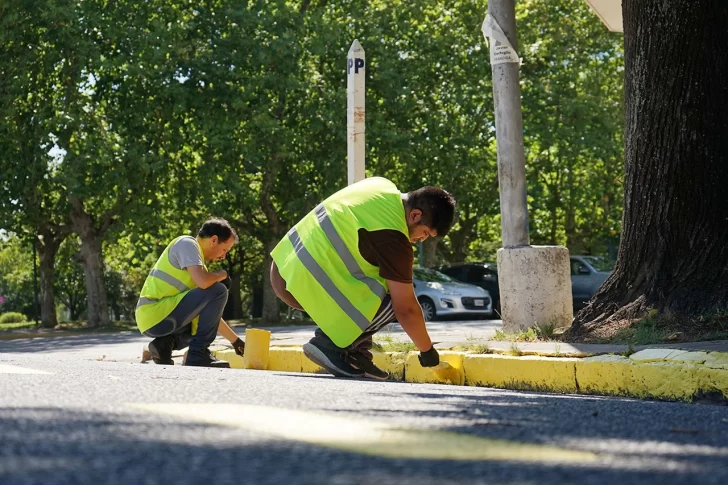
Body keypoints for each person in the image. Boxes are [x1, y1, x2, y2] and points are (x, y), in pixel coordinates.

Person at [270, 176, 456, 379]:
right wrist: (427, 351)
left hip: (283, 266)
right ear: (415, 215)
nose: (422, 239)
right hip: (302, 283)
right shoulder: (394, 238)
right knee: (396, 297)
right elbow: (406, 309)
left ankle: (356, 354)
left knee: (383, 278)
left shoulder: (380, 186)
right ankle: (328, 344)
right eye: (426, 233)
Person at [136, 218, 246, 368]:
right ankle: (198, 355)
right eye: (225, 250)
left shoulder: (198, 268)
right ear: (214, 240)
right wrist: (222, 275)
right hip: (154, 313)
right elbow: (204, 282)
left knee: (204, 321)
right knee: (219, 290)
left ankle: (163, 346)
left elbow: (211, 318)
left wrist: (236, 342)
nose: (223, 256)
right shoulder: (187, 244)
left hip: (157, 319)